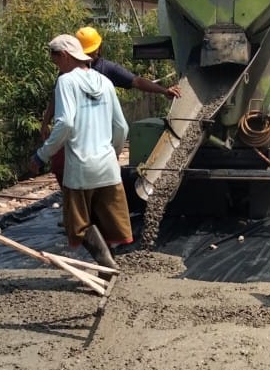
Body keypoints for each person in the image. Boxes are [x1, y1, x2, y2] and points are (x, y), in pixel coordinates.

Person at [29, 34, 132, 269]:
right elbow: (122, 127)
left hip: (80, 169)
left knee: (78, 225)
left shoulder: (66, 82)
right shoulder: (104, 82)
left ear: (64, 55)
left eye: (56, 60)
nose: (56, 65)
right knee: (107, 222)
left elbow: (65, 123)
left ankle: (107, 265)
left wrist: (41, 155)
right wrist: (114, 153)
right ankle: (107, 269)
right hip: (108, 167)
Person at [39, 25, 181, 185]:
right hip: (74, 137)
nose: (92, 54)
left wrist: (163, 91)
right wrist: (46, 121)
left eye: (93, 51)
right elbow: (56, 98)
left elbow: (136, 81)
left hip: (97, 137)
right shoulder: (66, 72)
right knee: (62, 168)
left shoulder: (106, 69)